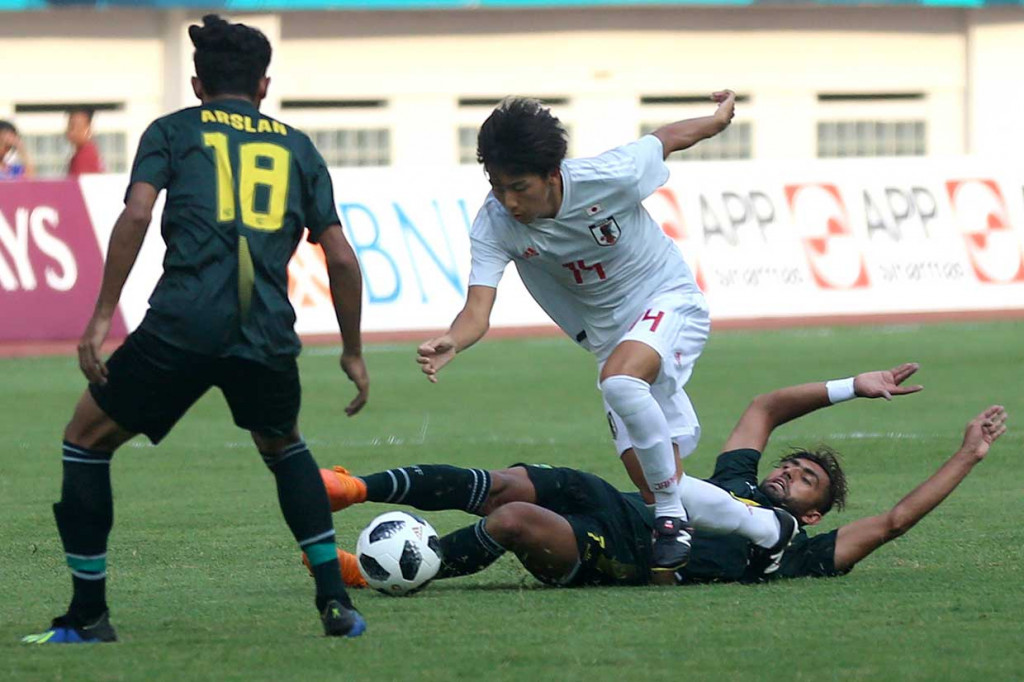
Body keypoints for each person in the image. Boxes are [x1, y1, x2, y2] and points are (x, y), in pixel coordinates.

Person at [22, 14, 369, 644]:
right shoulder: (297, 146)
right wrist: (352, 351)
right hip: (264, 333)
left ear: (195, 82)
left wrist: (101, 316)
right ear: (264, 85)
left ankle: (89, 617)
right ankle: (335, 604)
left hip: (179, 328)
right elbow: (341, 257)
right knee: (285, 446)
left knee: (85, 440)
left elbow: (134, 216)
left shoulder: (172, 132)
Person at [417, 93, 744, 572]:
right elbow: (477, 309)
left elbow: (667, 138)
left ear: (553, 175)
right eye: (496, 185)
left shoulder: (611, 175)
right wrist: (453, 339)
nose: (508, 200)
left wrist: (717, 120)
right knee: (658, 482)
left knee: (620, 382)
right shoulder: (495, 224)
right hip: (610, 342)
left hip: (668, 301)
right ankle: (769, 530)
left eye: (519, 187)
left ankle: (671, 520)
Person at [318, 363, 1007, 588]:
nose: (789, 475)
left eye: (805, 482)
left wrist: (967, 455)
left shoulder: (798, 549)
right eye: (791, 466)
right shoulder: (738, 482)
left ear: (816, 513)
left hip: (624, 555)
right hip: (616, 500)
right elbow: (765, 409)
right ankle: (357, 486)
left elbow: (893, 521)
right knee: (506, 481)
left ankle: (394, 568)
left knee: (511, 520)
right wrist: (852, 385)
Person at [66, 108, 105, 176]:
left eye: (73, 126)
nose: (70, 131)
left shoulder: (85, 156)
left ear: (87, 129)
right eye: (69, 126)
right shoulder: (86, 152)